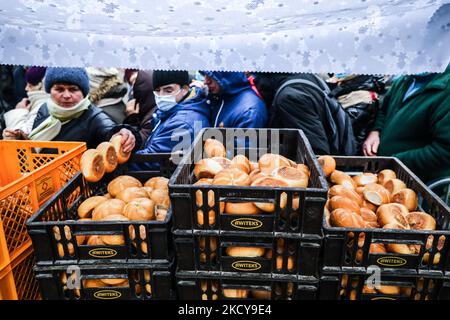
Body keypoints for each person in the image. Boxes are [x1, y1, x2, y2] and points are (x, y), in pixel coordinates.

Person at [2, 67, 138, 151]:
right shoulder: (45, 108)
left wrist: (124, 133)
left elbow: (110, 131)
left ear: (84, 92)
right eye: (59, 89)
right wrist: (20, 140)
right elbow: (37, 148)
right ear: (49, 90)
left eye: (73, 89)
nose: (66, 95)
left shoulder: (94, 117)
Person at [363, 65, 450, 183]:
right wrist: (375, 131)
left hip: (417, 186)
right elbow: (384, 109)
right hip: (387, 176)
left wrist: (393, 162)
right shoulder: (405, 79)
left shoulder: (445, 90)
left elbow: (444, 152)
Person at [253, 72, 356, 156]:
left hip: (329, 166)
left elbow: (315, 154)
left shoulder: (290, 97)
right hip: (341, 147)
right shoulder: (302, 76)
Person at [130, 70, 210, 170]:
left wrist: (120, 159)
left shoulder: (182, 123)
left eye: (168, 91)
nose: (161, 96)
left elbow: (151, 162)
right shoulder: (171, 111)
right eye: (157, 90)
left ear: (184, 89)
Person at [201, 71, 268, 128]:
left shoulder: (249, 113)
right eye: (205, 74)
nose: (206, 81)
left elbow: (244, 143)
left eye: (211, 76)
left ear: (227, 74)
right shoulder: (220, 96)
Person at [3, 67, 49, 135]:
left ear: (41, 87)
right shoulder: (41, 106)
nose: (26, 88)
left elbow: (18, 137)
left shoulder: (42, 108)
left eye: (30, 86)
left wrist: (19, 111)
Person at [123, 70, 157, 147]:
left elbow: (137, 144)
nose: (132, 92)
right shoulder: (147, 109)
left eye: (135, 81)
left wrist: (132, 119)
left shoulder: (154, 115)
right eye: (131, 84)